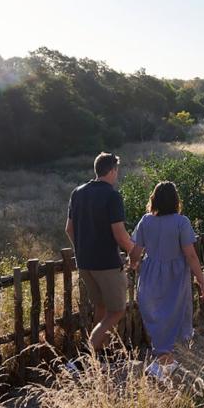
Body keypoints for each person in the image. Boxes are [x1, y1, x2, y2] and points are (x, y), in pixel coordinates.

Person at [130, 181, 204, 380]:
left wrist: (135, 265)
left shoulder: (146, 221)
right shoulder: (181, 222)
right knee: (173, 316)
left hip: (149, 276)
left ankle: (164, 363)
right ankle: (160, 366)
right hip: (174, 278)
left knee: (157, 317)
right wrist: (202, 281)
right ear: (175, 201)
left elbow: (136, 252)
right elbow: (190, 255)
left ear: (154, 199)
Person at [65, 152, 140, 356]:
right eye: (117, 170)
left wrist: (80, 249)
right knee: (117, 310)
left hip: (84, 262)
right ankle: (88, 352)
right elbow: (120, 234)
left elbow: (69, 229)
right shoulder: (112, 196)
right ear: (112, 170)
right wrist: (134, 249)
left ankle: (101, 355)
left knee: (100, 306)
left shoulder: (77, 192)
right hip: (106, 263)